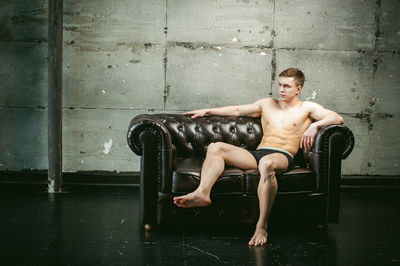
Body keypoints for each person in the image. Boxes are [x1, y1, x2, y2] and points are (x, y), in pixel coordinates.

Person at [173, 68, 344, 247]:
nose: (282, 89)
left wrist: (316, 126)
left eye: (287, 86)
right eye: (280, 85)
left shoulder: (307, 108)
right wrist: (207, 111)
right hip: (258, 153)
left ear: (298, 89)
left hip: (282, 155)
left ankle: (261, 226)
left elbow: (336, 117)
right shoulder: (267, 103)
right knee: (216, 147)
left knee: (267, 163)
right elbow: (237, 110)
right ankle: (202, 193)